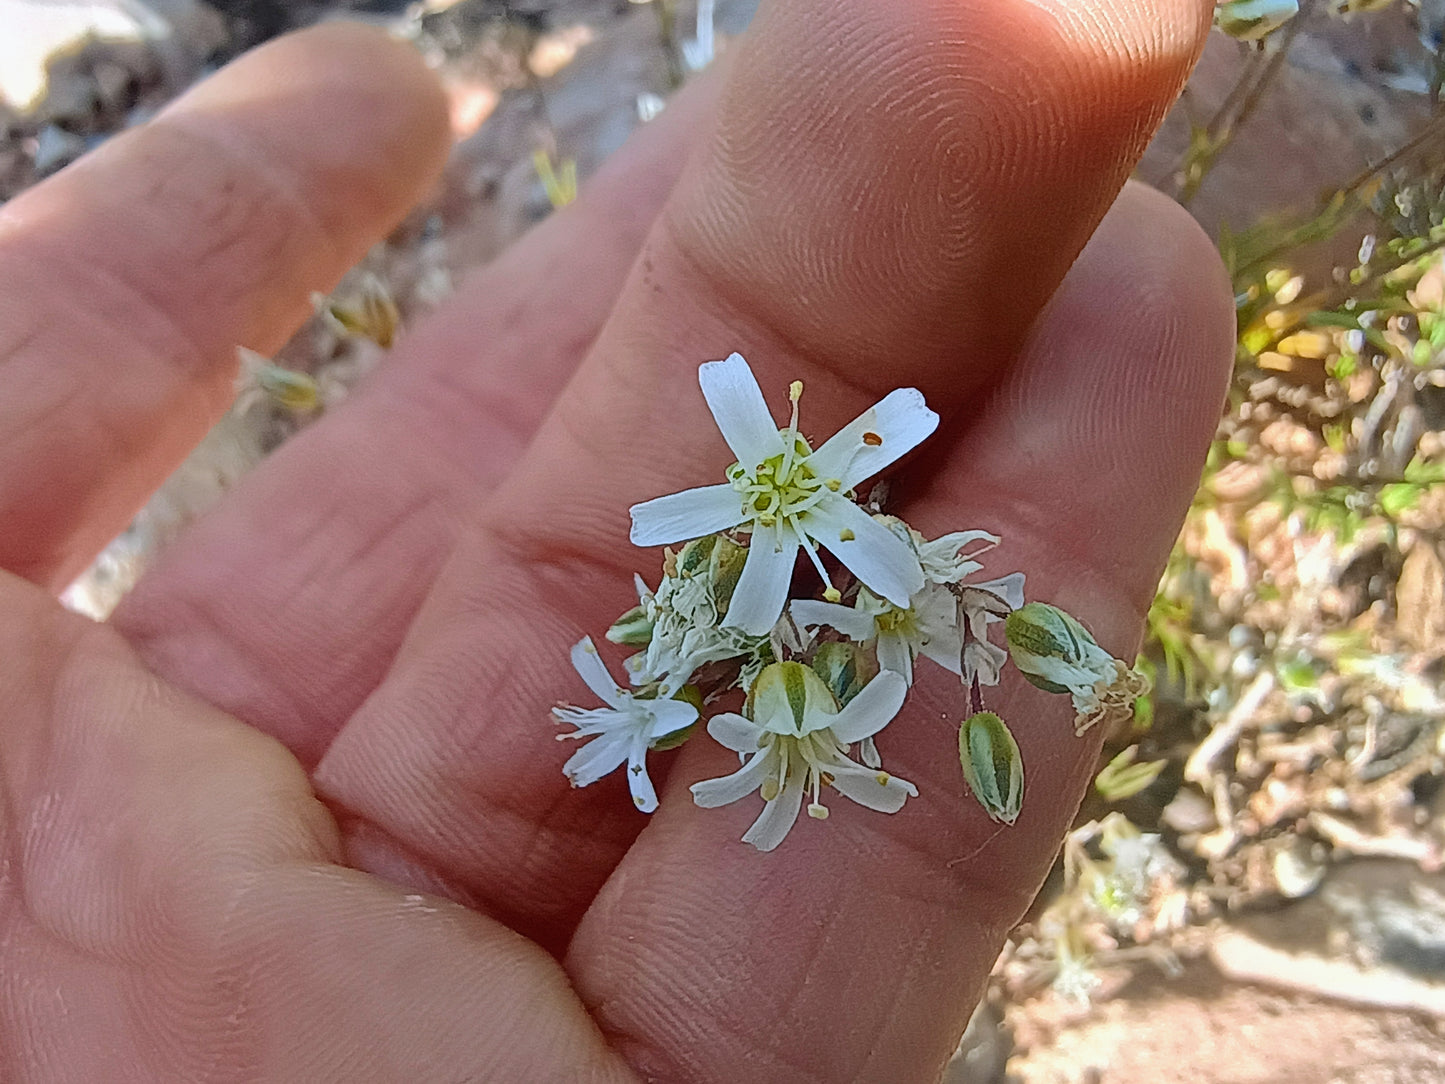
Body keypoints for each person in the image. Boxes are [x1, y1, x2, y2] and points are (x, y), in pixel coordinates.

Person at [0, 3, 1232, 1079]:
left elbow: (807, 587)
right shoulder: (761, 565)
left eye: (792, 487)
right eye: (780, 487)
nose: (789, 492)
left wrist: (832, 615)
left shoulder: (791, 564)